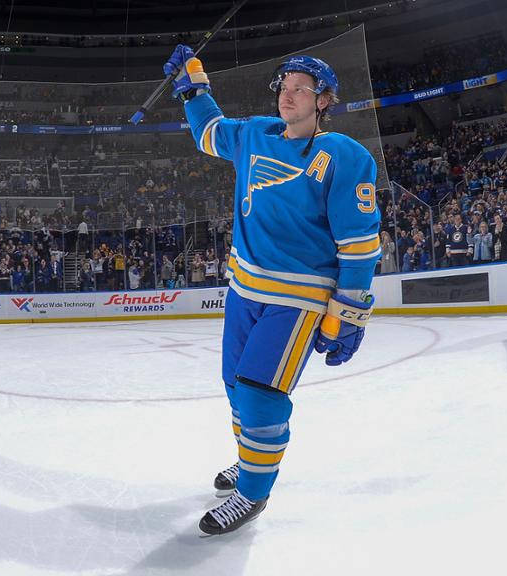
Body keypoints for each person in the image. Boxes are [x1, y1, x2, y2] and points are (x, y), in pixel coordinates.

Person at [166, 45, 380, 535]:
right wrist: (195, 86)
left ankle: (252, 495)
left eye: (301, 89)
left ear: (324, 100)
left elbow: (360, 245)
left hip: (299, 297)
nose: (289, 96)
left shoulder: (344, 155)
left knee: (262, 394)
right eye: (284, 87)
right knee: (236, 388)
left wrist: (349, 314)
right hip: (244, 288)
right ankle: (249, 461)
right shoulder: (255, 134)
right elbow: (208, 132)